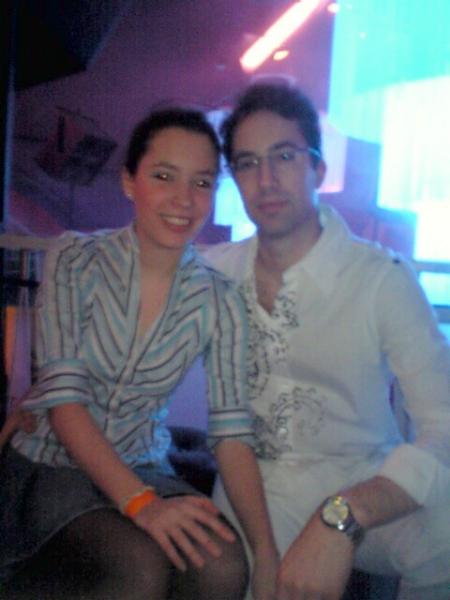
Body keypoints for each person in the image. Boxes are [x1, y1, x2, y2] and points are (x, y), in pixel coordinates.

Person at [0, 106, 278, 600]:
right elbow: (65, 405)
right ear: (130, 181)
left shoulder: (219, 298)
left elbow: (232, 433)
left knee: (222, 561)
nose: (184, 199)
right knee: (137, 568)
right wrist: (142, 506)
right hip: (52, 463)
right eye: (164, 176)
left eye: (202, 183)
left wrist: (266, 552)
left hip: (144, 463)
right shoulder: (75, 258)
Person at [202, 82, 450, 600]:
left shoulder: (379, 279)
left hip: (363, 478)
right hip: (253, 488)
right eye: (248, 163)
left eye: (284, 156)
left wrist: (348, 511)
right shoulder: (212, 274)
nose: (266, 179)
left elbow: (443, 423)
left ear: (317, 169)